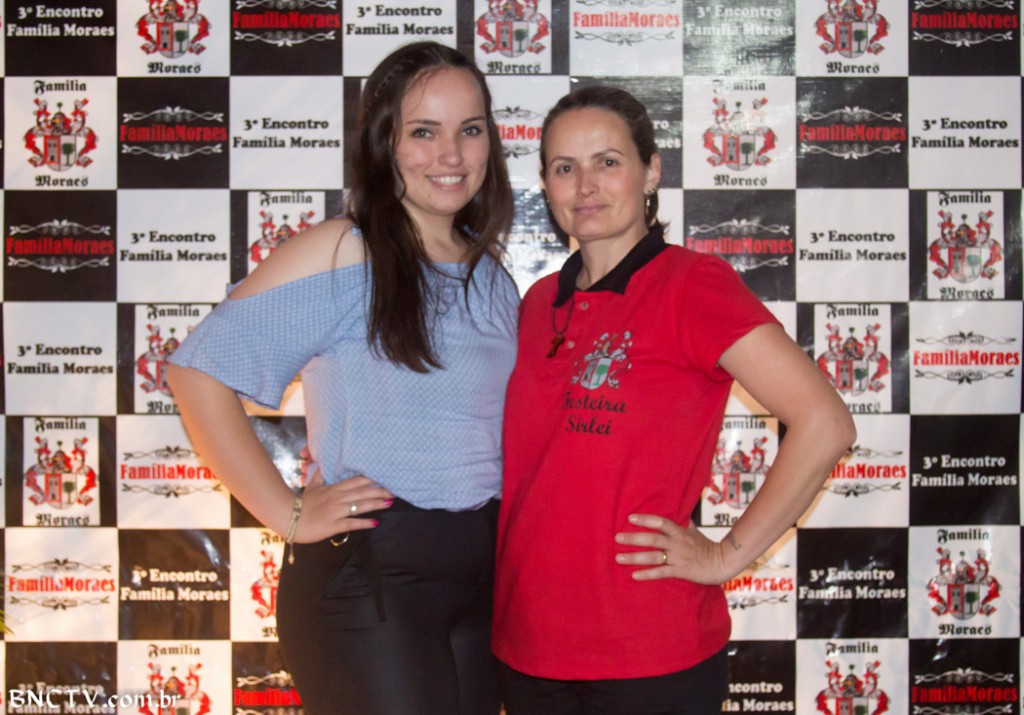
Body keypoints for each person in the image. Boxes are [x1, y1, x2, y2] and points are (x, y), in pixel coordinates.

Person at [166, 41, 517, 715]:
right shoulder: (343, 251)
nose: (451, 154)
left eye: (470, 130)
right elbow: (194, 372)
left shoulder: (491, 275)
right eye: (424, 132)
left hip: (479, 585)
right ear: (384, 143)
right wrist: (287, 512)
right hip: (370, 588)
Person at [492, 86, 856, 714]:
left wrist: (724, 557)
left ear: (651, 171)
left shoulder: (691, 285)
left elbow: (826, 423)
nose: (585, 185)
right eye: (564, 167)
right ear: (546, 185)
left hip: (650, 653)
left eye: (608, 161)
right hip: (526, 649)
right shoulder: (536, 303)